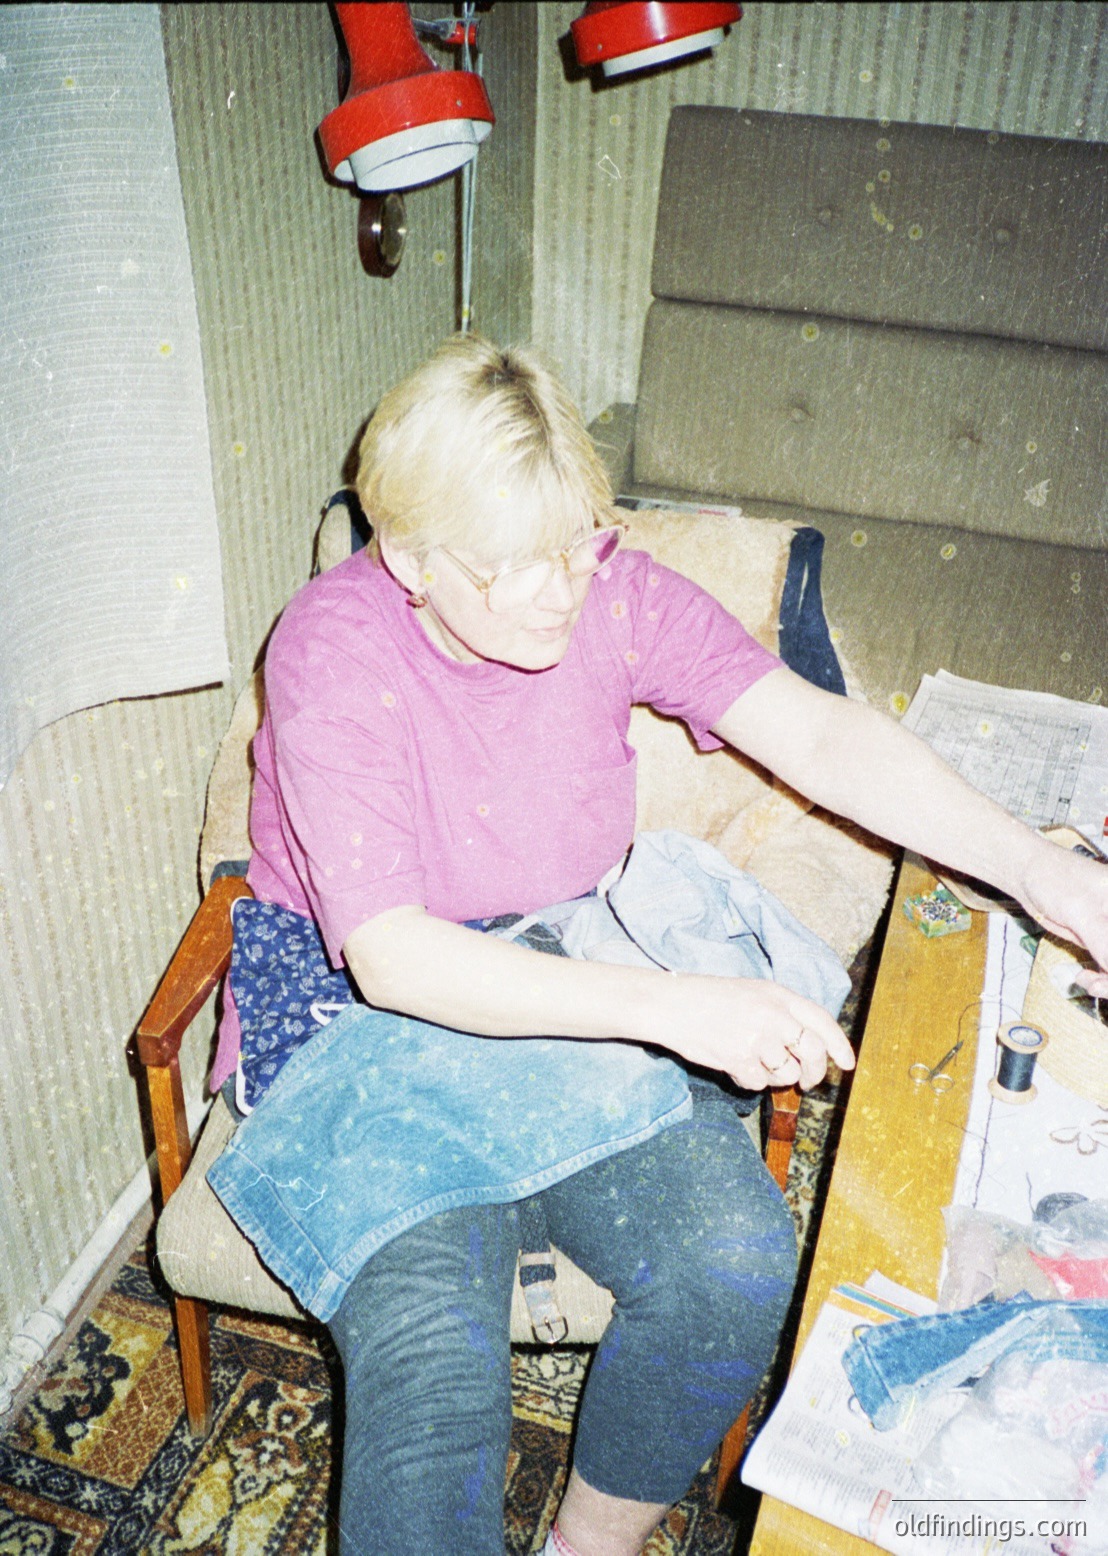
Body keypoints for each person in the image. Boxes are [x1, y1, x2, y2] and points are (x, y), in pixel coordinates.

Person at [209, 334, 1108, 1556]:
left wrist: (1038, 868)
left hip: (560, 962)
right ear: (408, 557)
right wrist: (675, 1004)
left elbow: (821, 735)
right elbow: (398, 959)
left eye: (577, 544)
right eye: (514, 565)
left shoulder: (605, 583)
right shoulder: (331, 645)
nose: (561, 590)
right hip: (363, 1017)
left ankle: (592, 1539)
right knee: (432, 1368)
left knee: (736, 1263)